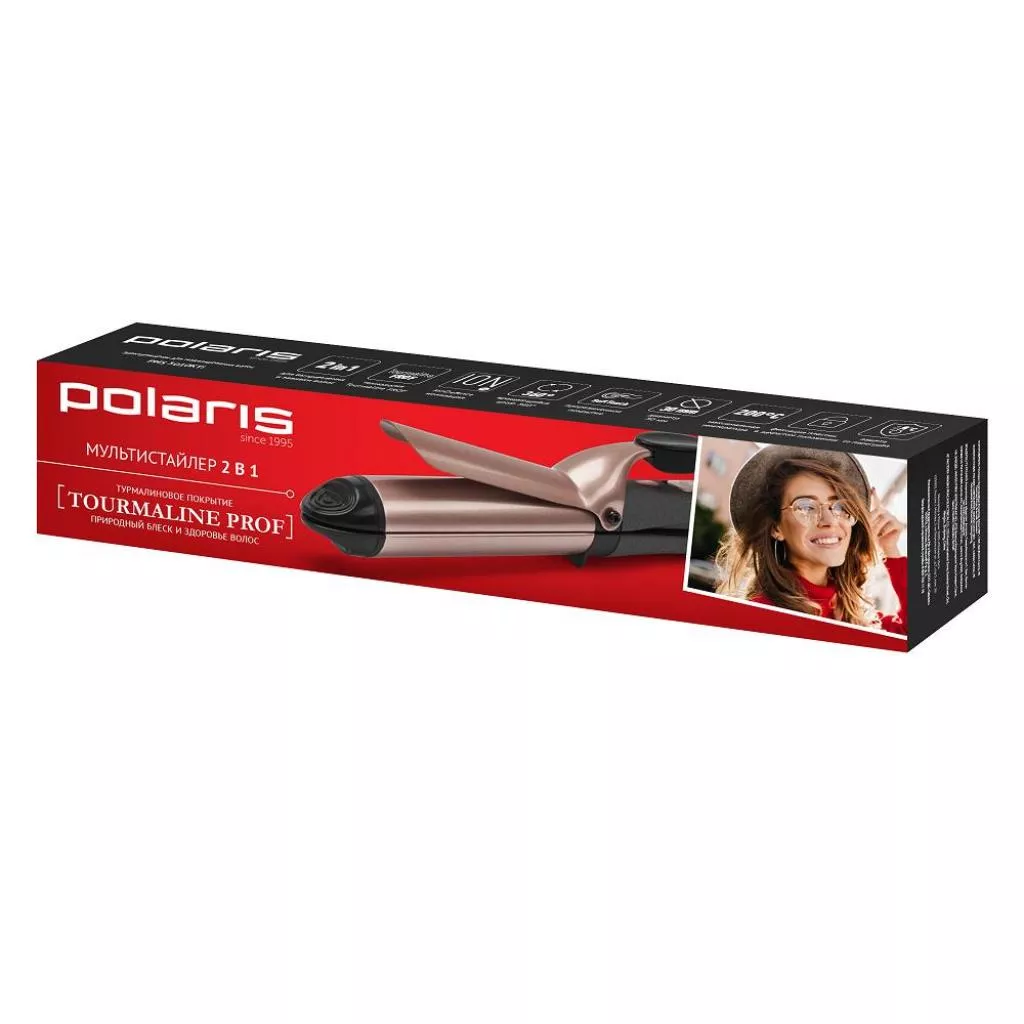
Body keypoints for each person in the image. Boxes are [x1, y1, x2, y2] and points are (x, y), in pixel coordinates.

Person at [715, 446, 906, 632]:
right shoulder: (760, 618)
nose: (830, 521)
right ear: (776, 528)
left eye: (840, 507)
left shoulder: (854, 616)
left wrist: (891, 549)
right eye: (806, 507)